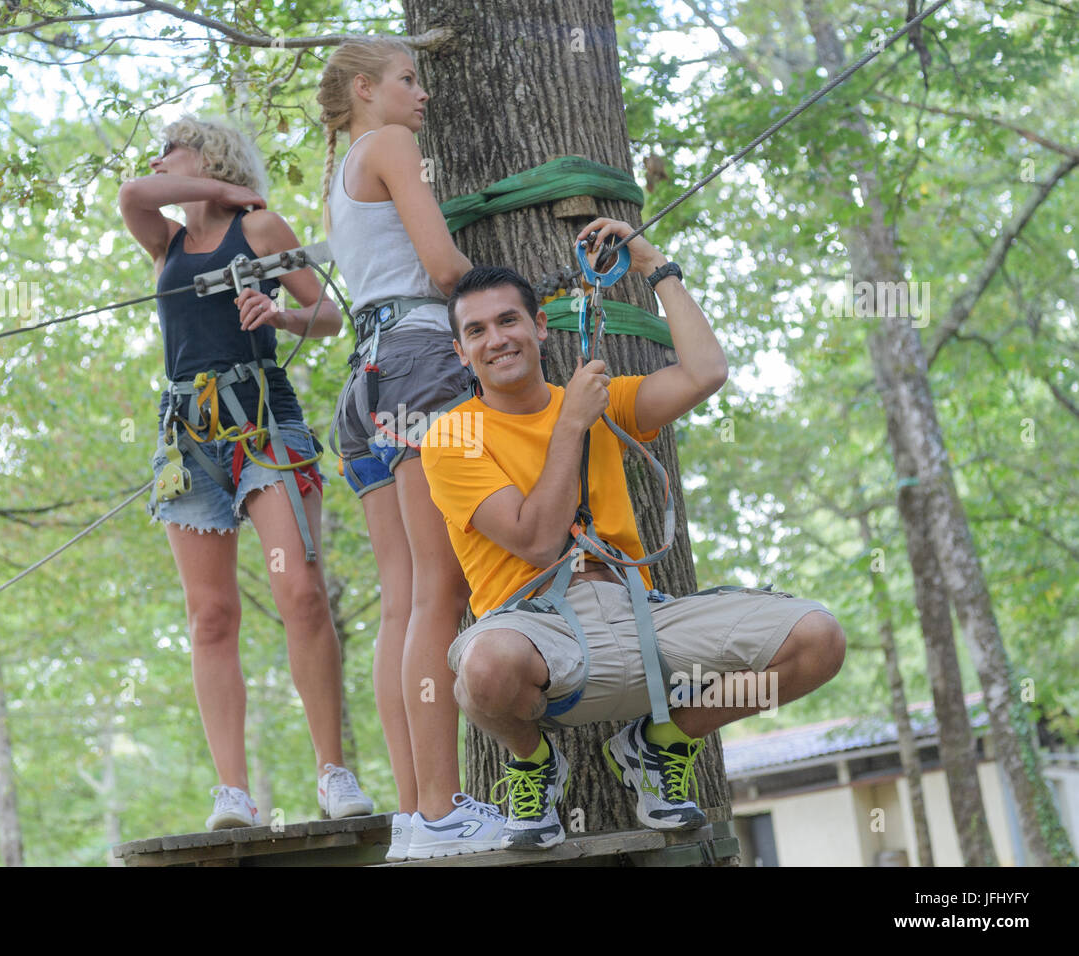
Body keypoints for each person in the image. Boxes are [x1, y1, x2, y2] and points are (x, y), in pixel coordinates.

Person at [420, 219, 847, 850]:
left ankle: (661, 742)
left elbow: (705, 372)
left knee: (818, 639)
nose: (496, 339)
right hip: (537, 631)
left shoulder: (601, 401)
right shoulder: (453, 435)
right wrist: (571, 425)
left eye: (509, 321)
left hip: (640, 616)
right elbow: (536, 542)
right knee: (480, 672)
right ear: (461, 353)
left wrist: (655, 265)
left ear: (540, 327)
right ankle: (533, 762)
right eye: (476, 331)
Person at [119, 115, 373, 830]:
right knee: (211, 616)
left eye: (173, 148)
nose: (158, 161)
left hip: (263, 418)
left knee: (300, 591)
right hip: (188, 435)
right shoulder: (166, 240)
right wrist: (220, 187)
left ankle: (333, 770)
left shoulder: (259, 231)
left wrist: (280, 318)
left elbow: (325, 313)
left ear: (207, 153)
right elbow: (135, 193)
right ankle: (232, 791)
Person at [317, 39, 508, 860]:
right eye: (407, 79)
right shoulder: (393, 145)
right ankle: (439, 811)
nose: (421, 95)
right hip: (423, 364)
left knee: (405, 601)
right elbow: (442, 268)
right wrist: (513, 300)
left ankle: (415, 814)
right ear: (366, 88)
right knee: (441, 591)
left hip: (365, 385)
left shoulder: (339, 174)